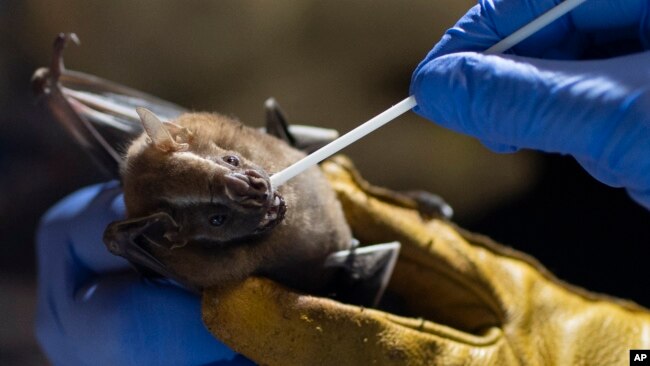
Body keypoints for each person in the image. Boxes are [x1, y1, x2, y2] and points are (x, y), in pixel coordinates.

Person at [36, 0, 650, 364]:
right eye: (222, 217)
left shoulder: (235, 138)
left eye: (230, 168)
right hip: (321, 270)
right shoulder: (197, 248)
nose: (246, 189)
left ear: (213, 145)